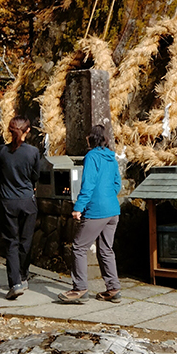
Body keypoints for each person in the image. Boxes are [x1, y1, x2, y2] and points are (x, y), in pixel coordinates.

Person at [58, 124, 123, 304]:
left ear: (90, 139)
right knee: (106, 249)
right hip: (113, 210)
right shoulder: (112, 157)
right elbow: (118, 183)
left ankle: (79, 288)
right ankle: (113, 287)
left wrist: (79, 207)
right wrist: (108, 195)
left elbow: (88, 185)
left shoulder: (92, 156)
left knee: (79, 247)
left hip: (97, 210)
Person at [0, 116, 44, 300]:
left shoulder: (1, 151)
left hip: (8, 201)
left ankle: (15, 283)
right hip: (27, 201)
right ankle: (23, 276)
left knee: (11, 243)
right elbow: (35, 175)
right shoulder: (32, 152)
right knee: (26, 240)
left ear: (9, 130)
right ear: (28, 131)